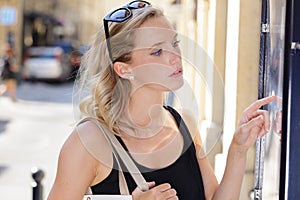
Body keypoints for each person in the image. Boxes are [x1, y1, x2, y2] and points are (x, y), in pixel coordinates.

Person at [47, 1, 276, 199]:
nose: (175, 56)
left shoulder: (184, 122)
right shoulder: (89, 141)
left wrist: (238, 149)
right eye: (157, 52)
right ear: (124, 69)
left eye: (174, 44)